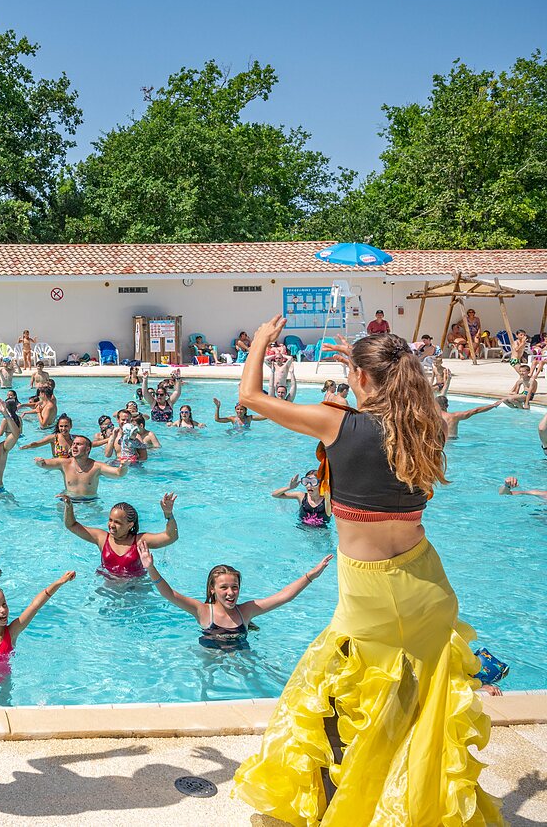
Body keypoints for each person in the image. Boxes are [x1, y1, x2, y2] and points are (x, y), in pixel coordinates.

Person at [230, 318, 502, 824]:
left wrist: (263, 339)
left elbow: (248, 395)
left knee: (335, 704)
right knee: (417, 710)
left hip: (369, 596)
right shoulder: (430, 427)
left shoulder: (337, 424)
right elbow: (392, 407)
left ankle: (344, 812)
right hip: (428, 586)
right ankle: (408, 806)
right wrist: (361, 368)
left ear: (358, 376)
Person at [140, 543, 332, 651]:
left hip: (242, 658)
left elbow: (284, 597)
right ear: (212, 589)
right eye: (224, 587)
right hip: (211, 658)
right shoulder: (203, 611)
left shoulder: (246, 611)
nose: (230, 593)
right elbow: (169, 594)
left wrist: (310, 576)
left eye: (235, 587)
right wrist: (150, 567)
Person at [61, 495, 176, 578]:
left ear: (130, 525)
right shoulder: (101, 538)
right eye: (110, 520)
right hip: (108, 585)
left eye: (117, 522)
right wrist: (69, 506)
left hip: (135, 587)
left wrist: (168, 514)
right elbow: (72, 525)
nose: (111, 525)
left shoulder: (140, 541)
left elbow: (170, 537)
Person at [33, 433, 126, 501]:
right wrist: (39, 462)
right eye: (73, 444)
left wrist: (124, 465)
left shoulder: (97, 467)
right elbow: (45, 464)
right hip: (68, 501)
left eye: (78, 444)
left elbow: (119, 473)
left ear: (87, 449)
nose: (74, 447)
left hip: (90, 503)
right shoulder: (64, 463)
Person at [437, 396, 503, 439]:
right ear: (447, 405)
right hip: (453, 440)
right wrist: (493, 405)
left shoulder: (433, 416)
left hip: (440, 440)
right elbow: (476, 411)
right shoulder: (454, 416)